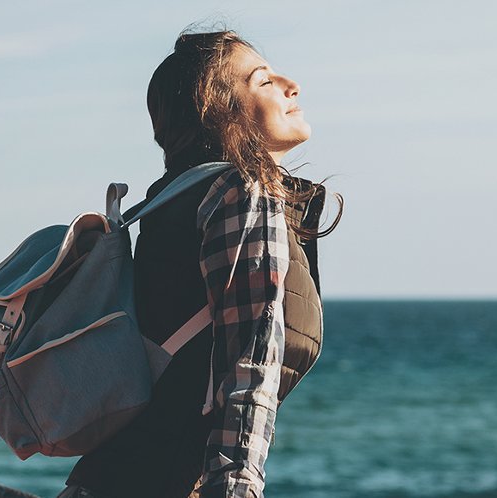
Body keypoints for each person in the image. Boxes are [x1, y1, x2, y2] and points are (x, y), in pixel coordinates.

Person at [56, 27, 342, 498]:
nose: (292, 85)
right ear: (220, 111)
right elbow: (247, 370)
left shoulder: (172, 199)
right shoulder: (241, 194)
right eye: (263, 81)